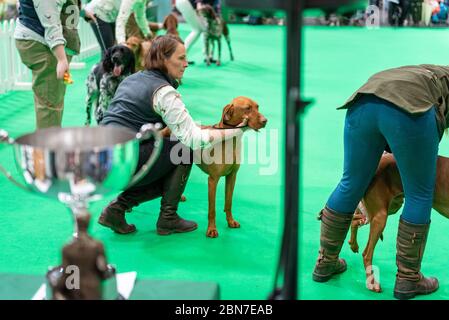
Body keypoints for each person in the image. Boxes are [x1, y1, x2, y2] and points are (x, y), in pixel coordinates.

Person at [311, 64, 449, 299]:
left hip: (363, 102)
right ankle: (408, 279)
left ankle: (326, 262)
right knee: (419, 193)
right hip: (410, 110)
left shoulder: (429, 71)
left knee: (350, 183)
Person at [98, 35, 247, 235]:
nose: (186, 64)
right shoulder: (164, 92)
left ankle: (116, 210)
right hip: (123, 162)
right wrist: (237, 130)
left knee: (171, 145)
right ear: (163, 59)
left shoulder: (132, 78)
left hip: (100, 162)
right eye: (181, 58)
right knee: (184, 149)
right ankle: (168, 218)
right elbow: (193, 139)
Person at [14, 0, 80, 129]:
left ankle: (48, 146)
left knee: (51, 102)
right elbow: (49, 18)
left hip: (42, 39)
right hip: (42, 41)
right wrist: (61, 58)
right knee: (50, 106)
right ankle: (48, 147)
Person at [82, 0, 154, 55]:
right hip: (97, 13)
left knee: (112, 49)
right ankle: (99, 74)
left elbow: (140, 17)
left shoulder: (143, 1)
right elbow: (121, 20)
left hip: (110, 15)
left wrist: (148, 34)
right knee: (108, 51)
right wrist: (122, 43)